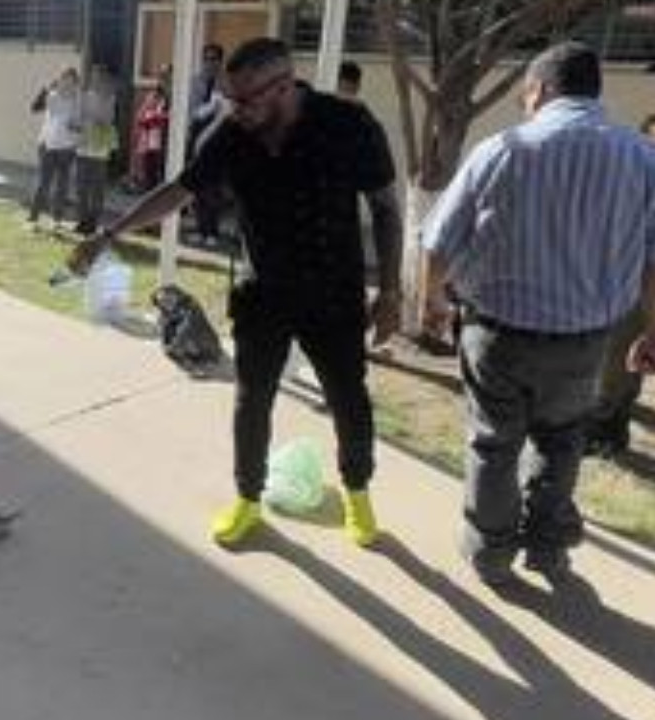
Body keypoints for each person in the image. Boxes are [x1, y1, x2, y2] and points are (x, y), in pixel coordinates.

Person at [69, 38, 403, 549]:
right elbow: (180, 190)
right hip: (263, 291)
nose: (234, 110)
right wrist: (109, 234)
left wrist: (391, 292)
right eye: (229, 98)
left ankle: (358, 495)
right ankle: (248, 499)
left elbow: (385, 207)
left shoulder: (348, 124)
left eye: (244, 99)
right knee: (251, 401)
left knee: (348, 398)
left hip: (333, 294)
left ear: (284, 87)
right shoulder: (232, 134)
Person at [421, 42, 655, 585]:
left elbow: (437, 241)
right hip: (585, 342)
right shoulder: (645, 159)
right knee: (562, 439)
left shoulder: (501, 149)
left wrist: (430, 304)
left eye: (526, 96)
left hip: (497, 337)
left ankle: (491, 552)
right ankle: (548, 548)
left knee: (493, 444)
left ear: (541, 89)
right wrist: (654, 330)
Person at [584, 112, 655, 458]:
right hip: (622, 281)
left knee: (629, 362)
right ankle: (605, 428)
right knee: (616, 359)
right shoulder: (628, 181)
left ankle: (610, 427)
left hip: (649, 286)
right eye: (654, 142)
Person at [28, 68, 81, 230]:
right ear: (59, 80)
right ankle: (33, 218)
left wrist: (76, 127)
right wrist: (44, 90)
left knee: (62, 186)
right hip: (48, 146)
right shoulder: (52, 96)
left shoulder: (77, 101)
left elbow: (79, 125)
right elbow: (34, 108)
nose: (68, 84)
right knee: (43, 183)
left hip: (67, 148)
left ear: (75, 83)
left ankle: (56, 219)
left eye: (72, 81)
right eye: (65, 79)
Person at [189, 44, 227, 248]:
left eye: (214, 59)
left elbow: (226, 112)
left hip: (218, 139)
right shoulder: (196, 82)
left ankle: (212, 231)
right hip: (197, 135)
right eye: (206, 58)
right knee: (198, 185)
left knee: (213, 188)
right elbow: (193, 111)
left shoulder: (226, 82)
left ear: (220, 61)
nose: (209, 63)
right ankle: (199, 228)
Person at [73, 65, 118, 236]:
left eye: (99, 77)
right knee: (81, 188)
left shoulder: (109, 98)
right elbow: (78, 119)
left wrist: (90, 121)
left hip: (99, 150)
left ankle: (92, 222)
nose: (96, 80)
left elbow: (107, 120)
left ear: (104, 79)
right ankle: (82, 220)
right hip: (83, 148)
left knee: (96, 190)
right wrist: (85, 122)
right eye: (93, 77)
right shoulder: (84, 96)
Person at [131, 68, 170, 193]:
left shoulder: (172, 96)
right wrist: (146, 118)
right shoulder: (153, 95)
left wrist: (161, 116)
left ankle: (156, 186)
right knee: (148, 161)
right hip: (150, 134)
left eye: (166, 78)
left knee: (159, 162)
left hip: (163, 135)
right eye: (162, 77)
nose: (164, 81)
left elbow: (168, 115)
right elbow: (141, 114)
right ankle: (147, 186)